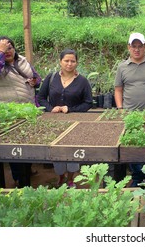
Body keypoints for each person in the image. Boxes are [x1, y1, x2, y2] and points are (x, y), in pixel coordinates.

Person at [0, 36, 41, 187]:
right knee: (13, 146)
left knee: (29, 143)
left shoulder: (22, 61)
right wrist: (0, 54)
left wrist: (35, 81)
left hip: (29, 110)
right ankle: (18, 177)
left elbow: (36, 76)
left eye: (9, 48)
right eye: (2, 48)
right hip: (9, 114)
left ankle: (26, 171)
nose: (7, 51)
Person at [37, 49, 93, 188]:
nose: (69, 64)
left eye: (72, 61)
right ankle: (60, 176)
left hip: (75, 124)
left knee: (72, 150)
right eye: (66, 61)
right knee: (57, 150)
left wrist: (71, 109)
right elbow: (41, 98)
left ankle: (70, 178)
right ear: (60, 62)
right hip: (54, 123)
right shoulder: (51, 78)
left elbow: (88, 103)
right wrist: (50, 108)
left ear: (76, 63)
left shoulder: (82, 81)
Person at [114, 32, 145, 187]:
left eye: (139, 46)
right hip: (130, 114)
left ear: (144, 47)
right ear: (129, 47)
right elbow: (118, 90)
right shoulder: (122, 67)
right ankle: (137, 177)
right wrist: (120, 108)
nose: (136, 49)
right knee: (132, 146)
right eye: (133, 46)